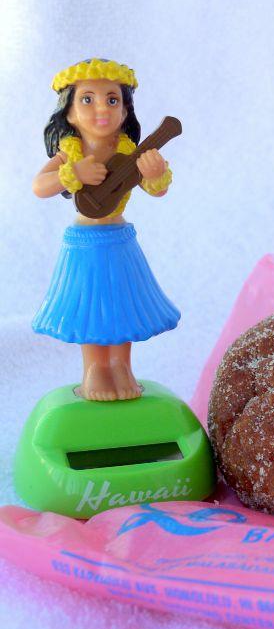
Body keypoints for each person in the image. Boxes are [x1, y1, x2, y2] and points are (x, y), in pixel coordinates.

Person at [32, 58, 180, 401]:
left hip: (119, 241)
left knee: (121, 304)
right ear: (68, 113)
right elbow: (39, 186)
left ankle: (121, 365)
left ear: (125, 110)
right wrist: (73, 175)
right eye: (87, 99)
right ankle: (95, 368)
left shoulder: (129, 153)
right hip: (85, 243)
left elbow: (157, 190)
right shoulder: (70, 153)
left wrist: (156, 172)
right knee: (89, 306)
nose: (102, 108)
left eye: (112, 99)